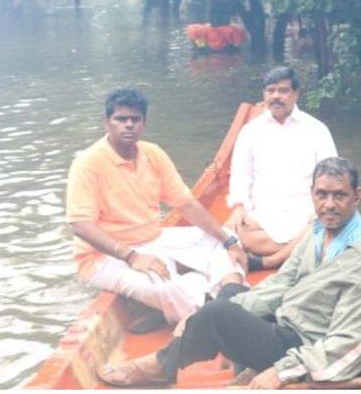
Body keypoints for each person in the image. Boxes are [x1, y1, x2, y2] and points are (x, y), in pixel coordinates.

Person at [97, 157, 361, 388]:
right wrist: (212, 312)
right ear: (311, 194)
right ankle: (227, 353)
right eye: (321, 195)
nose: (329, 204)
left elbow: (352, 342)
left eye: (339, 195)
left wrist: (284, 371)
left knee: (217, 314)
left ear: (357, 195)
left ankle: (161, 366)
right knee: (230, 296)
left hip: (304, 346)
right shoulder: (319, 229)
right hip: (286, 321)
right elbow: (285, 281)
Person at [66, 88, 247, 328]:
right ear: (106, 123)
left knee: (226, 239)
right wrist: (132, 257)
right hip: (106, 256)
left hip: (154, 238)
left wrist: (229, 242)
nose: (128, 125)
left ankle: (224, 296)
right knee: (166, 287)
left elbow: (186, 204)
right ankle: (215, 301)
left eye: (135, 119)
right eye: (121, 119)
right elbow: (80, 225)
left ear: (143, 124)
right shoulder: (87, 164)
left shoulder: (153, 154)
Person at [225, 66, 337, 270]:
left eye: (283, 91)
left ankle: (269, 261)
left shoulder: (317, 130)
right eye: (271, 91)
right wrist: (239, 207)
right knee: (237, 230)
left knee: (321, 225)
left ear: (296, 94)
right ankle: (299, 250)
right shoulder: (250, 131)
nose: (276, 96)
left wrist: (318, 210)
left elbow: (331, 179)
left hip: (305, 210)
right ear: (264, 94)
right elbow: (241, 176)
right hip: (265, 210)